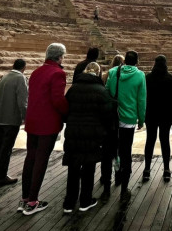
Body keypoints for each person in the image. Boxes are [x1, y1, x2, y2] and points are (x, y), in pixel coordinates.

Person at [20, 43, 69, 216]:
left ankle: (25, 198)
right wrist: (68, 112)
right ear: (60, 57)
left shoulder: (36, 72)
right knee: (41, 160)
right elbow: (58, 100)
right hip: (47, 124)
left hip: (32, 122)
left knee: (30, 158)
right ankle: (33, 202)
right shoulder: (58, 73)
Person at [62, 62, 114, 213]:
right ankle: (85, 200)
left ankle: (69, 203)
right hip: (93, 134)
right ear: (98, 73)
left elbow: (66, 110)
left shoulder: (73, 89)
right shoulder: (101, 90)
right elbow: (107, 115)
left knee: (73, 167)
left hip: (73, 132)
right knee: (88, 166)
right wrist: (106, 132)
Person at [105, 50, 146, 198]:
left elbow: (107, 91)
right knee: (125, 152)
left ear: (124, 61)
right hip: (128, 120)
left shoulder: (113, 71)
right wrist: (141, 120)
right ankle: (124, 188)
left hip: (113, 118)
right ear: (137, 61)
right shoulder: (140, 75)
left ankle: (108, 185)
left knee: (112, 149)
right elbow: (141, 100)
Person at [0, 59, 28, 187]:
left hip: (0, 118)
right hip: (11, 120)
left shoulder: (4, 77)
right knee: (6, 148)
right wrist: (26, 117)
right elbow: (22, 101)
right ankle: (1, 176)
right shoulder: (20, 78)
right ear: (24, 68)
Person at [143, 55, 172, 182]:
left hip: (151, 114)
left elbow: (143, 97)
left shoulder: (147, 78)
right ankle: (167, 169)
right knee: (165, 141)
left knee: (150, 140)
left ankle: (147, 169)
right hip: (166, 115)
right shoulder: (171, 79)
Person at [100, 53, 124, 189]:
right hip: (119, 115)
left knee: (106, 149)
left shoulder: (105, 76)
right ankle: (118, 174)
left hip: (106, 117)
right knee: (117, 149)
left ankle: (105, 177)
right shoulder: (124, 77)